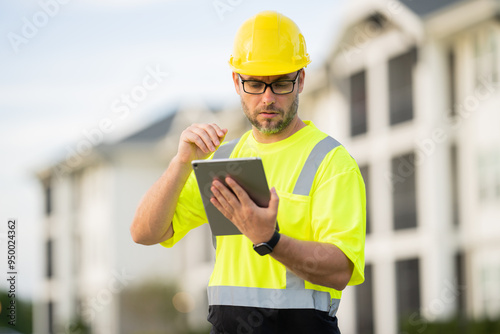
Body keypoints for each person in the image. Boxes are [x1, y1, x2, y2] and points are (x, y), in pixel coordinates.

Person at [130, 10, 366, 333]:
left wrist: (269, 239)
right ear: (236, 82)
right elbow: (144, 232)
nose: (267, 98)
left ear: (301, 80)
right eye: (255, 83)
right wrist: (180, 164)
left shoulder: (331, 162)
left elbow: (341, 269)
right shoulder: (222, 159)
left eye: (281, 83)